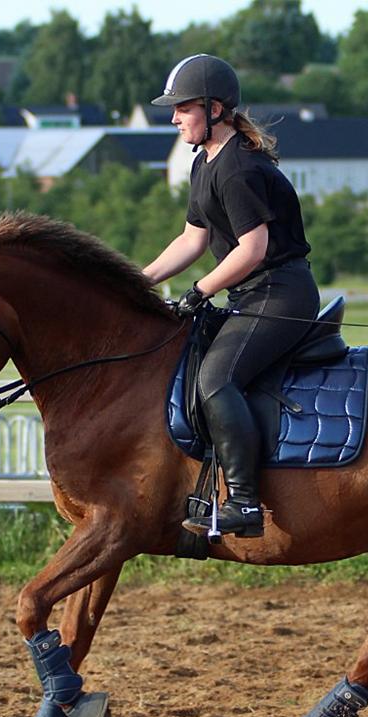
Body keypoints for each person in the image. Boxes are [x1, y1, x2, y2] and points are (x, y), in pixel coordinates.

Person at [143, 54, 320, 538]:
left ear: (214, 108)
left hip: (280, 295)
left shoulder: (238, 167)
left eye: (182, 109)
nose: (174, 117)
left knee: (216, 380)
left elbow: (254, 247)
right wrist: (138, 281)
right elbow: (191, 240)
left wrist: (200, 289)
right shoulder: (205, 162)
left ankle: (243, 502)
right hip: (251, 294)